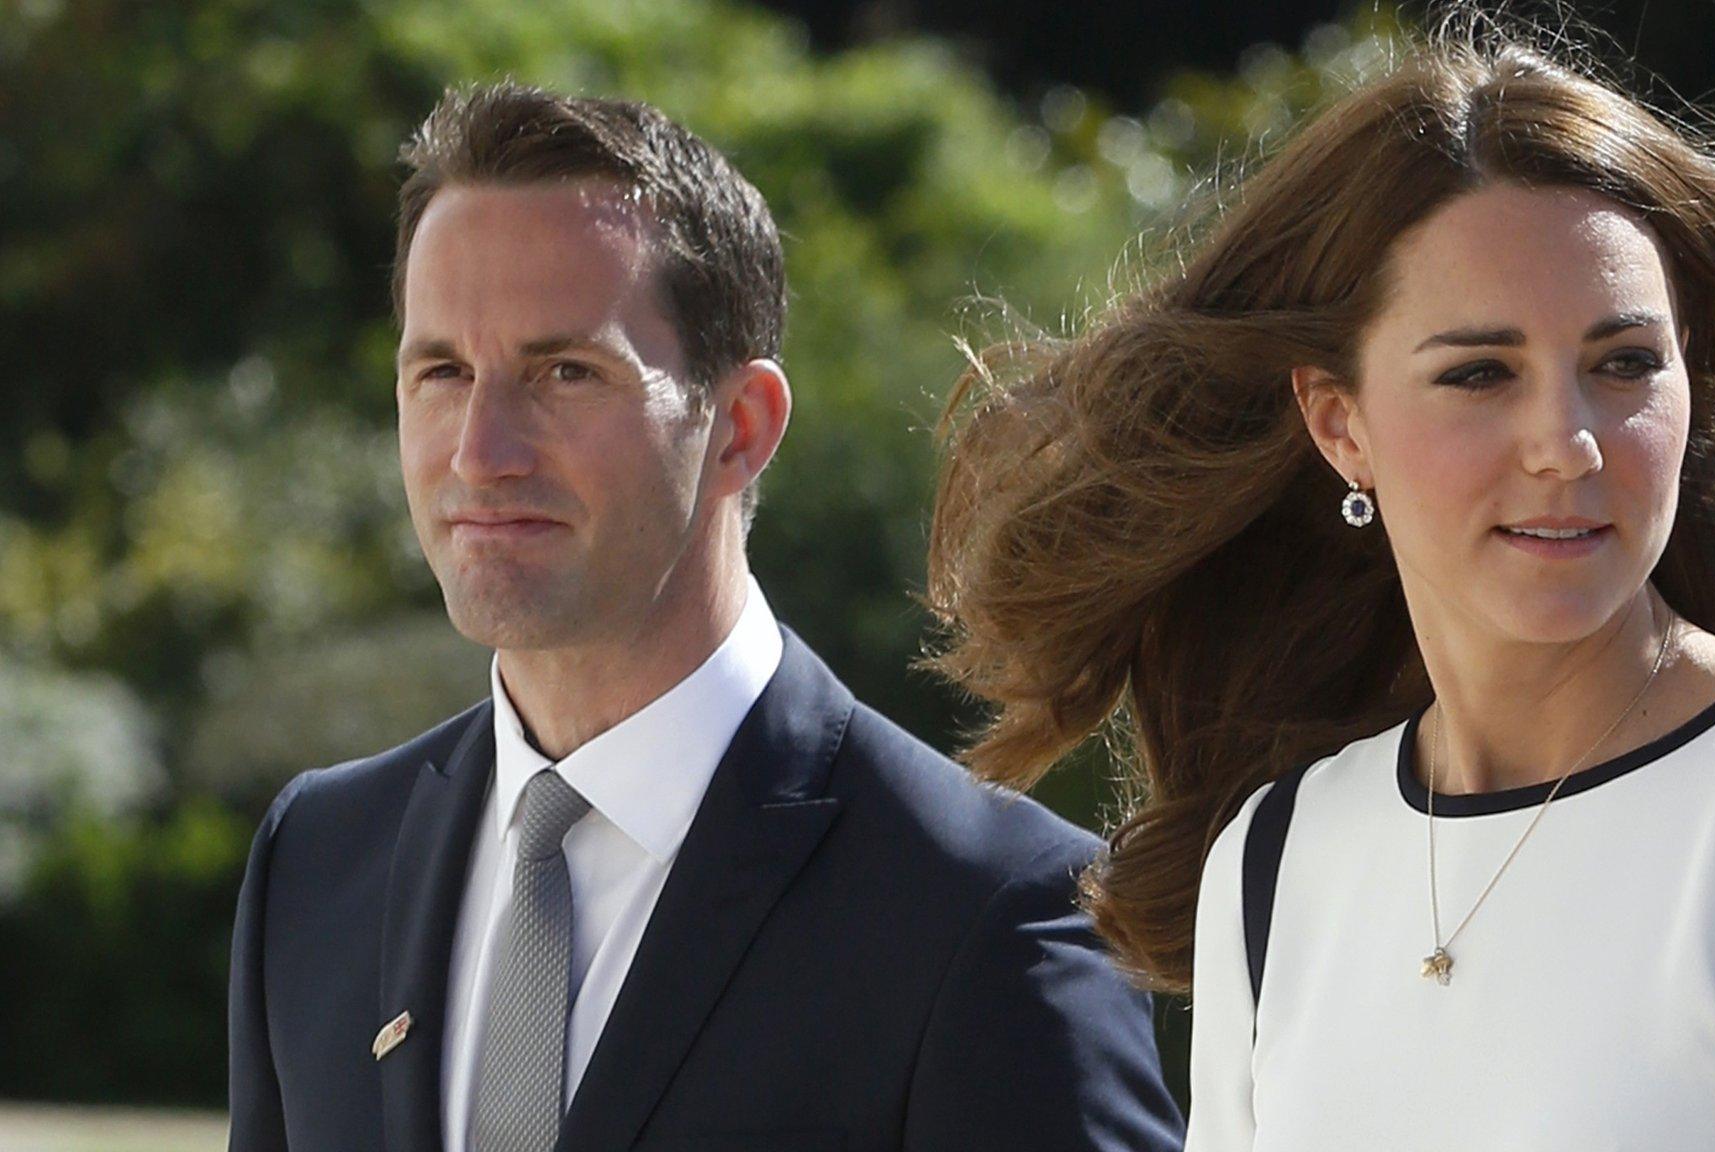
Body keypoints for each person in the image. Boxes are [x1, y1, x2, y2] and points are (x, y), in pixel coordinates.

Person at [925, 27, 1715, 1152]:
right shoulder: (1270, 864)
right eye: (1477, 374)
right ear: (1338, 423)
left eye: (1623, 364)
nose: (1564, 444)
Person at [226, 82, 1183, 1152]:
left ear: (740, 425)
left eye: (563, 372)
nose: (477, 452)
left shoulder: (984, 915)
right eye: (441, 372)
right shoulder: (317, 861)